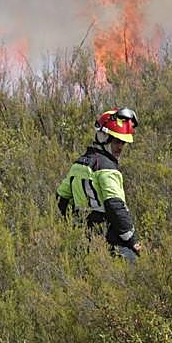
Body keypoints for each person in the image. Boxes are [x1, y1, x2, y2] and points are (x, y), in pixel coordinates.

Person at [55, 107, 143, 260]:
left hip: (82, 243)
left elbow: (60, 199)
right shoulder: (107, 169)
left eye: (123, 143)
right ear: (103, 137)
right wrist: (132, 241)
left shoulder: (78, 165)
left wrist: (75, 226)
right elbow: (115, 206)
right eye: (117, 141)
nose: (120, 147)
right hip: (110, 244)